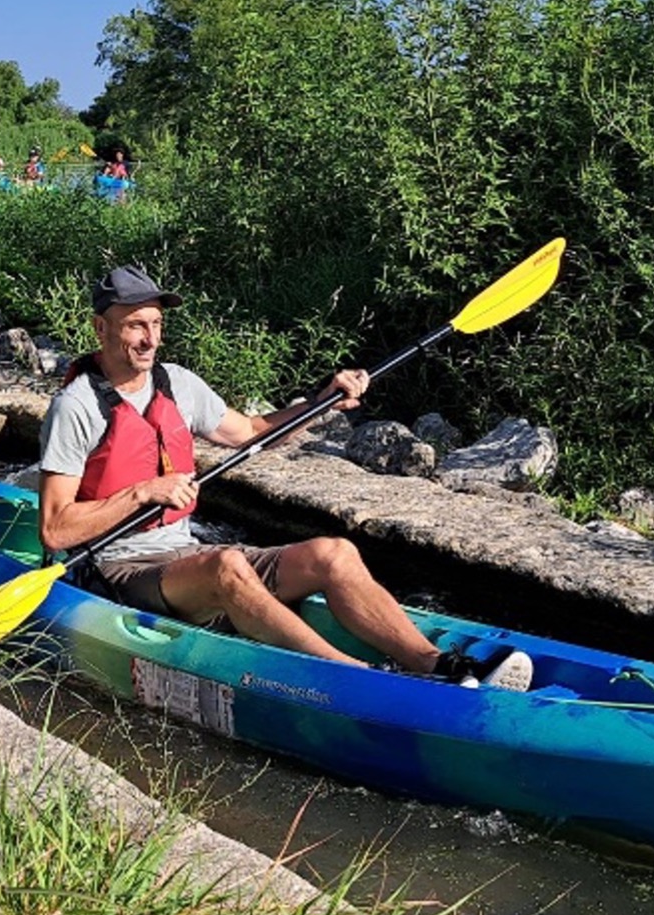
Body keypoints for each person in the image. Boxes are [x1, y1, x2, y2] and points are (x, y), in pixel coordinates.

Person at [36, 265, 531, 687]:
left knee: (334, 553)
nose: (150, 339)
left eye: (156, 323)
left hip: (181, 553)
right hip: (116, 569)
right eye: (134, 326)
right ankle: (359, 676)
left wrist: (321, 400)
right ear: (102, 329)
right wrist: (143, 491)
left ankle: (435, 664)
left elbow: (251, 431)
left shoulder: (178, 384)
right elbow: (56, 529)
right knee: (226, 563)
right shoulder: (76, 407)